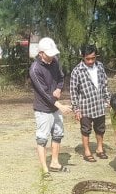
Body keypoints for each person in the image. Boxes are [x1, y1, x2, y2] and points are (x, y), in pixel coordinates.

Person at [29, 37, 73, 177]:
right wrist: (60, 106)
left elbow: (61, 77)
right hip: (43, 109)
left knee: (58, 134)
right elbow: (44, 93)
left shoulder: (55, 61)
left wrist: (59, 89)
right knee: (42, 138)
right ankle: (45, 169)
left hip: (55, 107)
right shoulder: (35, 69)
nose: (52, 57)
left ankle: (55, 163)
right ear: (41, 53)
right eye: (49, 54)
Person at [69, 44, 111, 163]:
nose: (91, 61)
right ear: (82, 57)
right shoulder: (77, 71)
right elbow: (73, 91)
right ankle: (87, 151)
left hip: (99, 104)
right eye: (88, 59)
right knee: (86, 129)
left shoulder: (100, 67)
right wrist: (76, 109)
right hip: (85, 106)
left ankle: (99, 148)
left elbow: (105, 84)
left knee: (100, 128)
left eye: (93, 58)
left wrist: (108, 99)